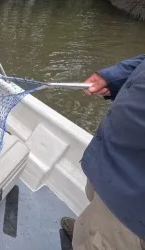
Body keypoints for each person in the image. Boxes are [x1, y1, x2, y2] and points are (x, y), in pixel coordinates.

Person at [61, 55, 145, 250]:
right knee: (96, 208)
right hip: (109, 165)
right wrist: (112, 77)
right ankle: (88, 225)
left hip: (131, 200)